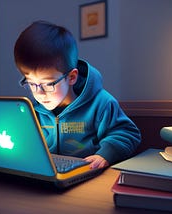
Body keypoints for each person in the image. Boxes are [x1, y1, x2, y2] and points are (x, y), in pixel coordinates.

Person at [14, 21, 141, 169]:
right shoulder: (33, 110)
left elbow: (128, 133)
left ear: (72, 77)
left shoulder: (101, 104)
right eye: (31, 84)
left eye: (48, 84)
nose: (39, 93)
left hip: (88, 173)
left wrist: (105, 154)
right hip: (47, 174)